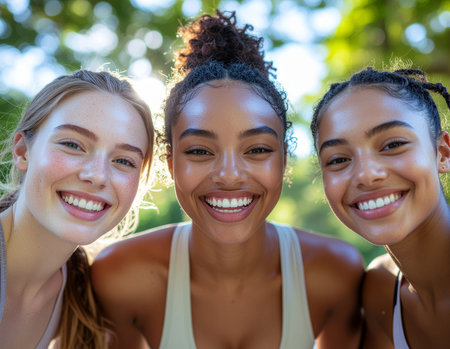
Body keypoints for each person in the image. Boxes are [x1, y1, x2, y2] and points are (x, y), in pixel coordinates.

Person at [91, 11, 364, 349]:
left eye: (258, 149)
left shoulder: (334, 275)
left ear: (284, 161)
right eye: (201, 152)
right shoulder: (120, 278)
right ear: (170, 163)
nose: (230, 176)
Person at [0, 69, 155, 348]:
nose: (97, 175)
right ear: (23, 152)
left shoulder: (86, 302)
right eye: (73, 145)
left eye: (123, 161)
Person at [310, 67, 450, 348]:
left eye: (393, 144)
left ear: (443, 153)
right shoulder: (380, 290)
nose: (365, 174)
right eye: (338, 160)